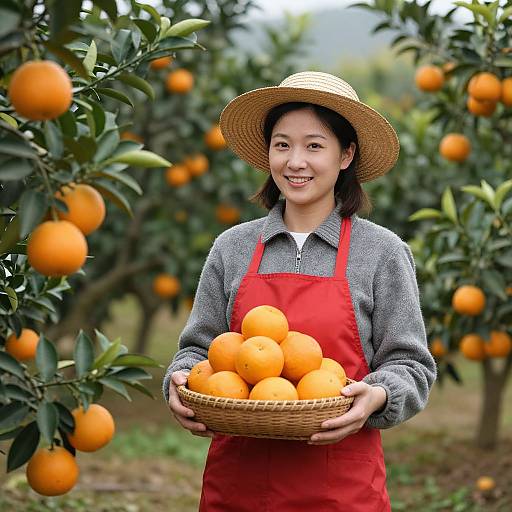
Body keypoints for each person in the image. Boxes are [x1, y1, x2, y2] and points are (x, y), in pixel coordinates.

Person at [164, 71, 437, 512]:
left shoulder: (382, 252)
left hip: (340, 485)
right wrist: (178, 381)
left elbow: (412, 365)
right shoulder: (232, 248)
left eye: (314, 145)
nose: (295, 161)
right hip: (239, 484)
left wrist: (378, 395)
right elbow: (197, 350)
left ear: (346, 155)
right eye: (282, 144)